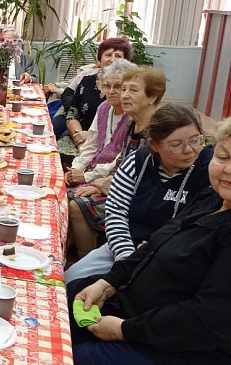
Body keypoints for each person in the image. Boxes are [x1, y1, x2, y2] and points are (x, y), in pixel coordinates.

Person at [68, 118, 231, 364]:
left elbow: (205, 319)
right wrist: (108, 282)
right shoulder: (211, 199)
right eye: (224, 157)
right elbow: (155, 244)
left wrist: (124, 330)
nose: (228, 169)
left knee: (75, 358)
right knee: (66, 296)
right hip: (133, 307)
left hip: (172, 347)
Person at [65, 104, 212, 283]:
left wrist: (155, 254)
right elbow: (116, 213)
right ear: (154, 145)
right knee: (71, 279)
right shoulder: (137, 162)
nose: (189, 150)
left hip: (174, 257)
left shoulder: (209, 170)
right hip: (127, 245)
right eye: (176, 144)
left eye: (195, 140)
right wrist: (127, 257)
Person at [68, 65, 167, 259]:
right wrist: (101, 183)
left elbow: (147, 179)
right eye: (125, 89)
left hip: (140, 199)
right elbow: (121, 161)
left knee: (76, 203)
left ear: (152, 97)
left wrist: (104, 185)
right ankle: (74, 254)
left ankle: (85, 257)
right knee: (66, 194)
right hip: (119, 185)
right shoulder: (132, 123)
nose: (124, 95)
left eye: (132, 90)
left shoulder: (158, 130)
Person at [59, 38, 131, 157]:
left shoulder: (126, 88)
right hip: (78, 135)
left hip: (106, 143)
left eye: (118, 56)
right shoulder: (86, 81)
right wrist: (80, 139)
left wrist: (91, 136)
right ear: (100, 59)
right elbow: (72, 114)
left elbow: (122, 125)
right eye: (108, 55)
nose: (112, 59)